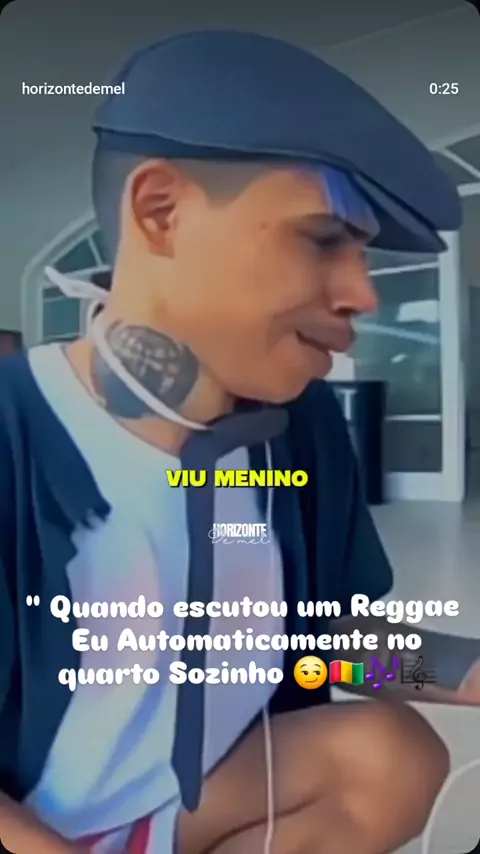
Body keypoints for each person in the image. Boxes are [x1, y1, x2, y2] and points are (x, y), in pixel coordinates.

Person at [1, 29, 480, 854]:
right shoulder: (16, 430)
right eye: (322, 238)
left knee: (389, 758)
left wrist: (468, 674)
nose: (363, 293)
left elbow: (326, 644)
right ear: (160, 211)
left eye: (363, 255)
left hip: (180, 809)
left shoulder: (300, 427)